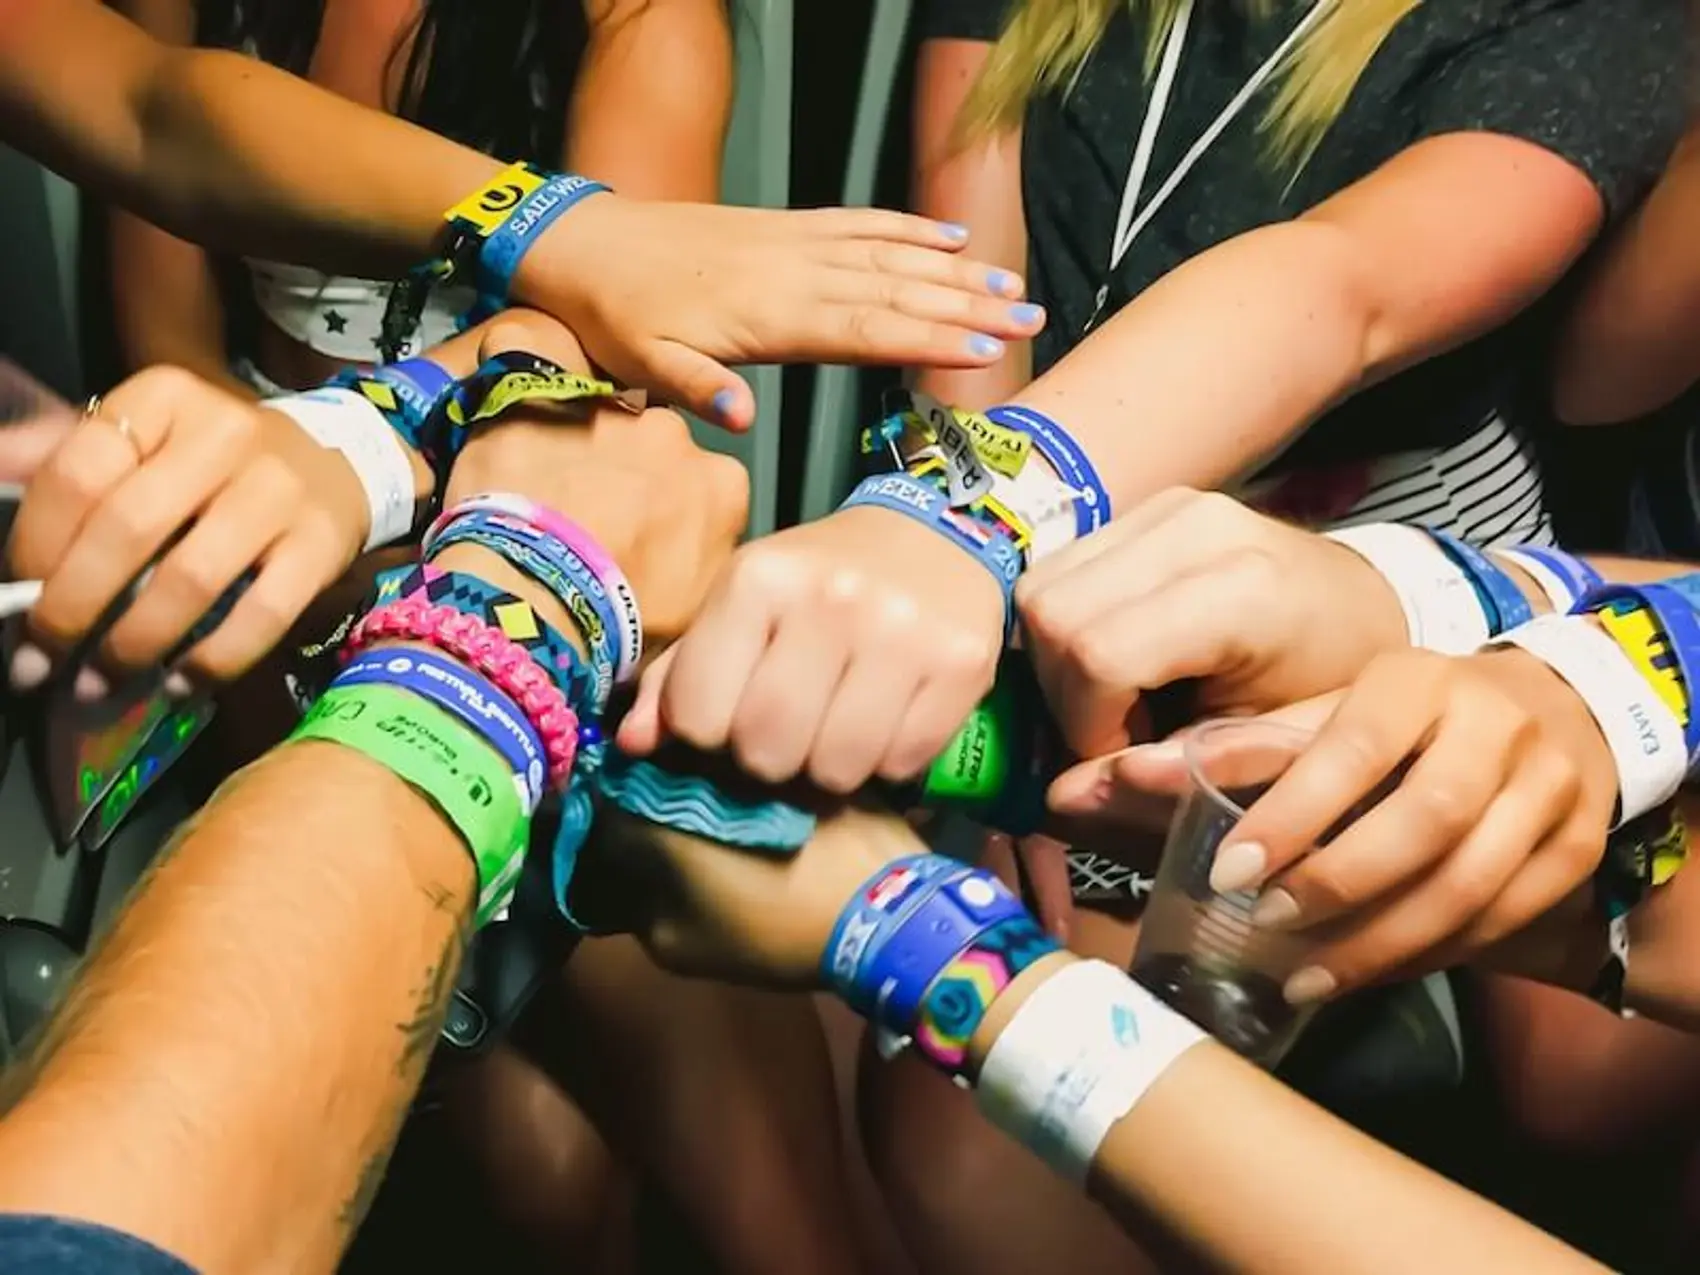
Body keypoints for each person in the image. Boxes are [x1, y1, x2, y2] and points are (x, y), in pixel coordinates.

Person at [0, 0, 1042, 430]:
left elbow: (573, 402)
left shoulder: (643, 19)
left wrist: (335, 493)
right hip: (229, 456)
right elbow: (150, 122)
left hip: (470, 502)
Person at [108, 0, 732, 397]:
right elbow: (167, 344)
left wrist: (368, 493)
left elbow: (606, 390)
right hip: (243, 447)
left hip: (495, 513)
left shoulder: (646, 16)